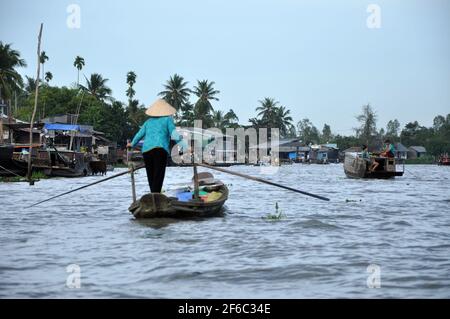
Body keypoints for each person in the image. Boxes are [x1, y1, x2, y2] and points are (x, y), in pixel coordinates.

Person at [127, 99, 189, 193]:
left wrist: (131, 144)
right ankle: (155, 196)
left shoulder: (148, 122)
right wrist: (184, 146)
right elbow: (174, 134)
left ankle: (153, 195)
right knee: (158, 175)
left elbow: (139, 134)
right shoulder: (167, 119)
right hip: (160, 150)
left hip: (147, 151)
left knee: (151, 176)